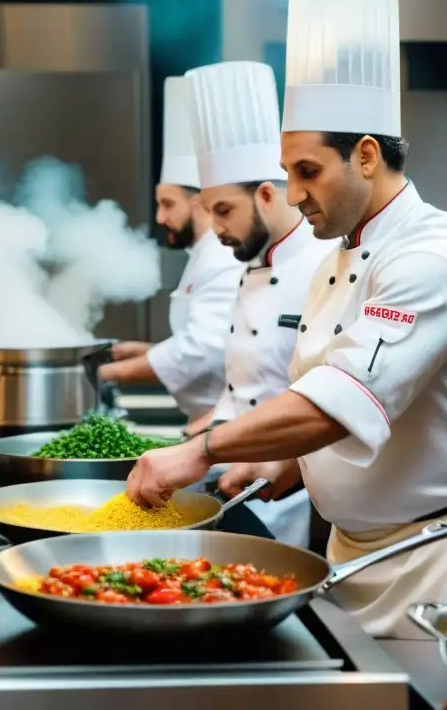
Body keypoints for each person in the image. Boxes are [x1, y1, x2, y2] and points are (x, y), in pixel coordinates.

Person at [124, 0, 447, 638]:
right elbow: (352, 411)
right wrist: (286, 464)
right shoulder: (334, 262)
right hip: (354, 556)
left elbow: (334, 403)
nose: (293, 194)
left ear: (368, 156)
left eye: (308, 171)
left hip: (443, 558)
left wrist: (201, 451)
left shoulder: (432, 258)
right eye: (288, 172)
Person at [180, 60, 339, 547]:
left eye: (223, 210)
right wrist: (214, 424)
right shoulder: (252, 264)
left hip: (294, 493)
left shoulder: (326, 264)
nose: (216, 227)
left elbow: (333, 400)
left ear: (268, 194)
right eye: (209, 212)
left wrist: (210, 444)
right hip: (237, 478)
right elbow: (249, 383)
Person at [99, 77, 243, 421]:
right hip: (206, 420)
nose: (160, 217)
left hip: (224, 423)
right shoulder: (201, 255)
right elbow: (211, 347)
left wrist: (100, 374)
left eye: (167, 204)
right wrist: (147, 352)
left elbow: (202, 352)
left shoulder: (223, 256)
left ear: (198, 202)